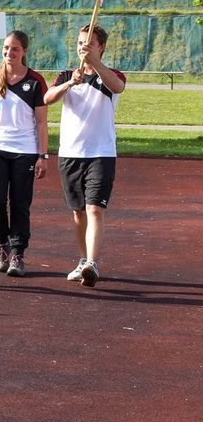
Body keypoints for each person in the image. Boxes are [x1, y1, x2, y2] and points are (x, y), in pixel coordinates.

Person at [43, 24, 125, 288]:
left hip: (100, 153)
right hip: (70, 153)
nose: (83, 47)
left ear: (101, 47)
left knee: (94, 209)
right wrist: (70, 82)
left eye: (89, 43)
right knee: (78, 212)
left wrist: (95, 64)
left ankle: (92, 263)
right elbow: (47, 98)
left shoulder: (110, 75)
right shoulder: (67, 75)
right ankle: (82, 260)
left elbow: (118, 86)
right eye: (80, 43)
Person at [0, 30, 49, 278]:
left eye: (14, 49)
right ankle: (2, 243)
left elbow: (42, 122)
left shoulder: (35, 81)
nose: (9, 53)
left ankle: (18, 253)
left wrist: (43, 156)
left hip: (26, 151)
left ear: (24, 52)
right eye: (6, 48)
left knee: (20, 203)